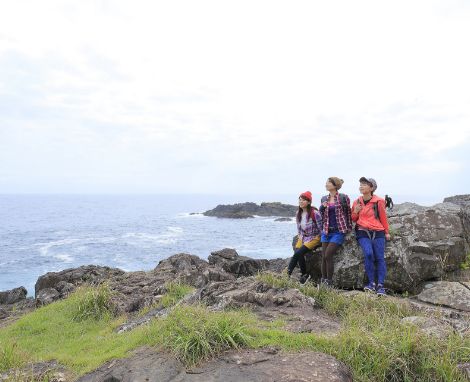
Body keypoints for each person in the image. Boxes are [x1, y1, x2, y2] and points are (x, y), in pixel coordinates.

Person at [351, 177, 391, 296]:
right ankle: (371, 283)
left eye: (364, 184)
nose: (361, 186)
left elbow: (383, 217)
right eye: (361, 184)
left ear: (371, 188)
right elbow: (353, 219)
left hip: (378, 231)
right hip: (362, 231)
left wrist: (387, 232)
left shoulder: (379, 201)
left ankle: (380, 286)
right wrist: (356, 211)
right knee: (368, 254)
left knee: (379, 258)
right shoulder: (357, 202)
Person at [319, 177, 352, 287]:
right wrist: (321, 207)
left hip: (338, 231)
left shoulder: (343, 198)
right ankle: (323, 281)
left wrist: (349, 228)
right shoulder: (324, 198)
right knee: (323, 256)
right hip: (326, 231)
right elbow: (321, 215)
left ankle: (329, 281)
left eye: (328, 182)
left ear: (335, 185)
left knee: (328, 255)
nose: (326, 184)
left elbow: (348, 213)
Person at [287, 191, 322, 284]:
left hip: (314, 238)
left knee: (297, 253)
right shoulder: (298, 213)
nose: (301, 202)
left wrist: (321, 240)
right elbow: (299, 228)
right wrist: (300, 237)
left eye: (303, 200)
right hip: (302, 237)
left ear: (309, 202)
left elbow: (321, 228)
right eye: (300, 200)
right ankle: (304, 275)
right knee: (298, 253)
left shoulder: (315, 213)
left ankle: (287, 274)